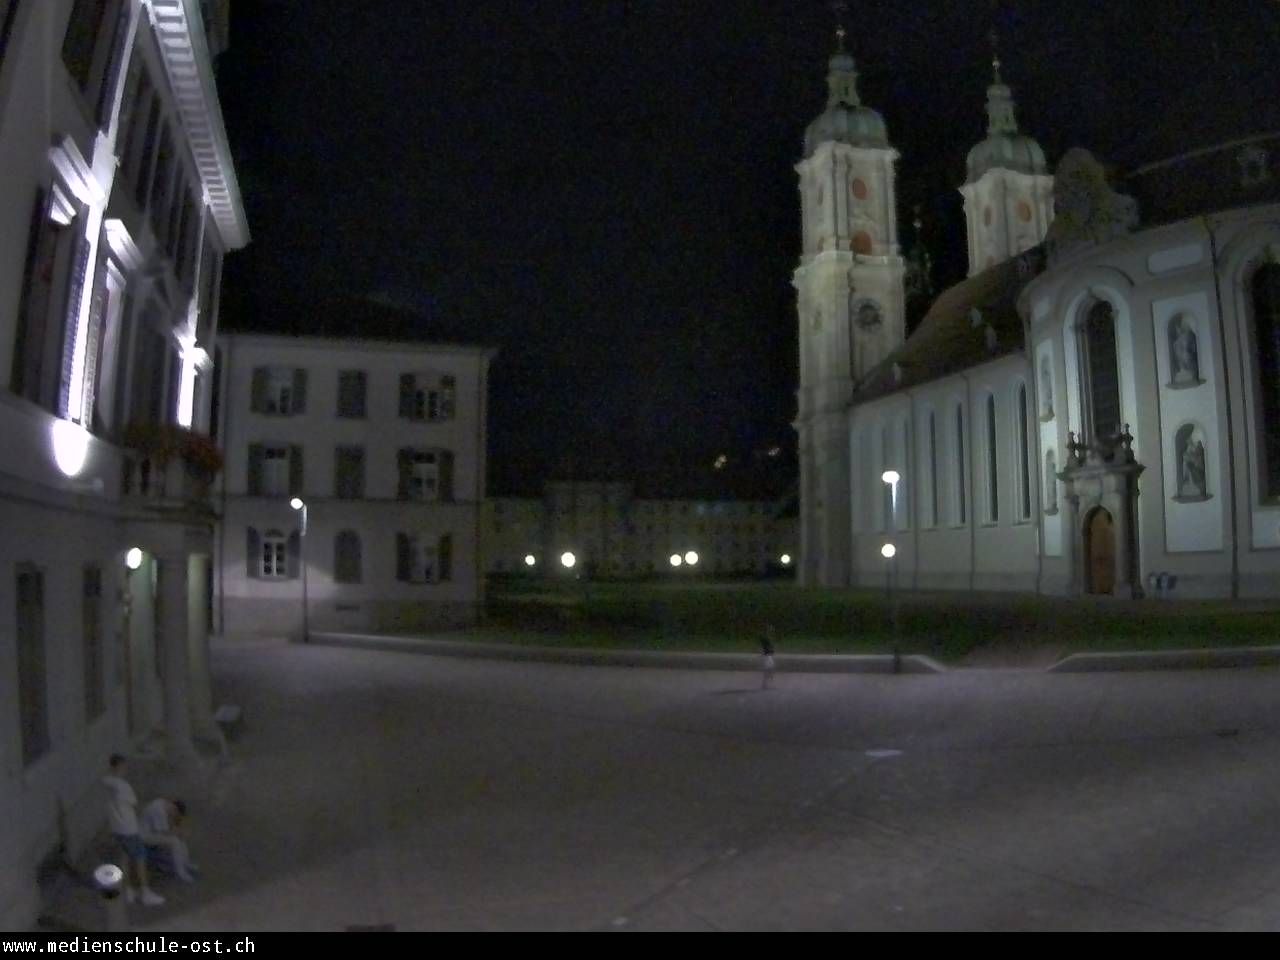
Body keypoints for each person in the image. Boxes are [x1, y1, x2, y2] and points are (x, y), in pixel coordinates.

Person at [102, 755, 165, 906]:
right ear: (117, 767)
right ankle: (145, 892)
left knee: (124, 858)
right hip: (129, 828)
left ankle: (128, 890)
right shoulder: (123, 786)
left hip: (116, 827)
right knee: (140, 857)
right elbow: (134, 805)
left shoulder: (105, 783)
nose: (125, 770)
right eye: (123, 767)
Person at [140, 797, 197, 883]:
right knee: (175, 842)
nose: (174, 816)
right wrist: (179, 833)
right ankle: (181, 872)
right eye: (175, 814)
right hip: (145, 836)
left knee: (178, 838)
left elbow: (169, 826)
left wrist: (179, 831)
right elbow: (163, 832)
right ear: (174, 809)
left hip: (153, 832)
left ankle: (186, 863)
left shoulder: (163, 805)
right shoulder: (158, 811)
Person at [760, 624, 777, 690]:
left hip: (769, 655)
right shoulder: (764, 637)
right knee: (769, 669)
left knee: (770, 669)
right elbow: (763, 646)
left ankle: (766, 684)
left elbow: (769, 646)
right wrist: (762, 653)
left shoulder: (768, 637)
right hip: (767, 655)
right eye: (771, 629)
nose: (772, 630)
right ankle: (765, 684)